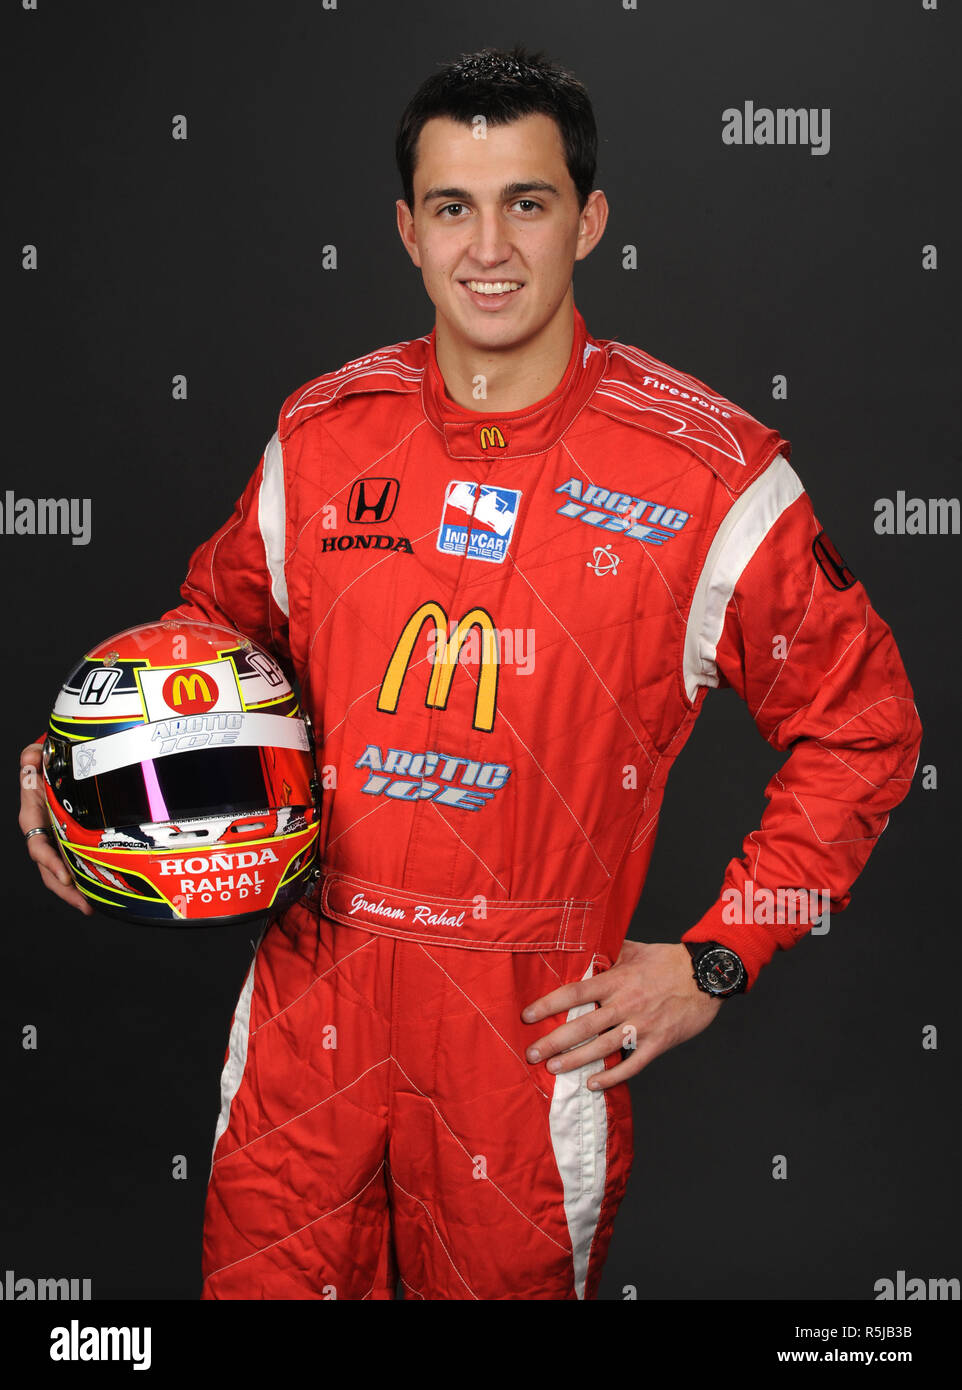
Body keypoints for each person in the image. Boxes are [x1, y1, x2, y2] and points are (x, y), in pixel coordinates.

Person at [19, 46, 922, 1301]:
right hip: (307, 1021)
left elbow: (864, 730)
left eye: (527, 203)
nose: (487, 247)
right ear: (405, 228)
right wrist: (79, 769)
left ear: (589, 220)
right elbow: (203, 641)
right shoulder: (322, 434)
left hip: (525, 1038)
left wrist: (717, 955)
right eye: (453, 206)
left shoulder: (705, 476)